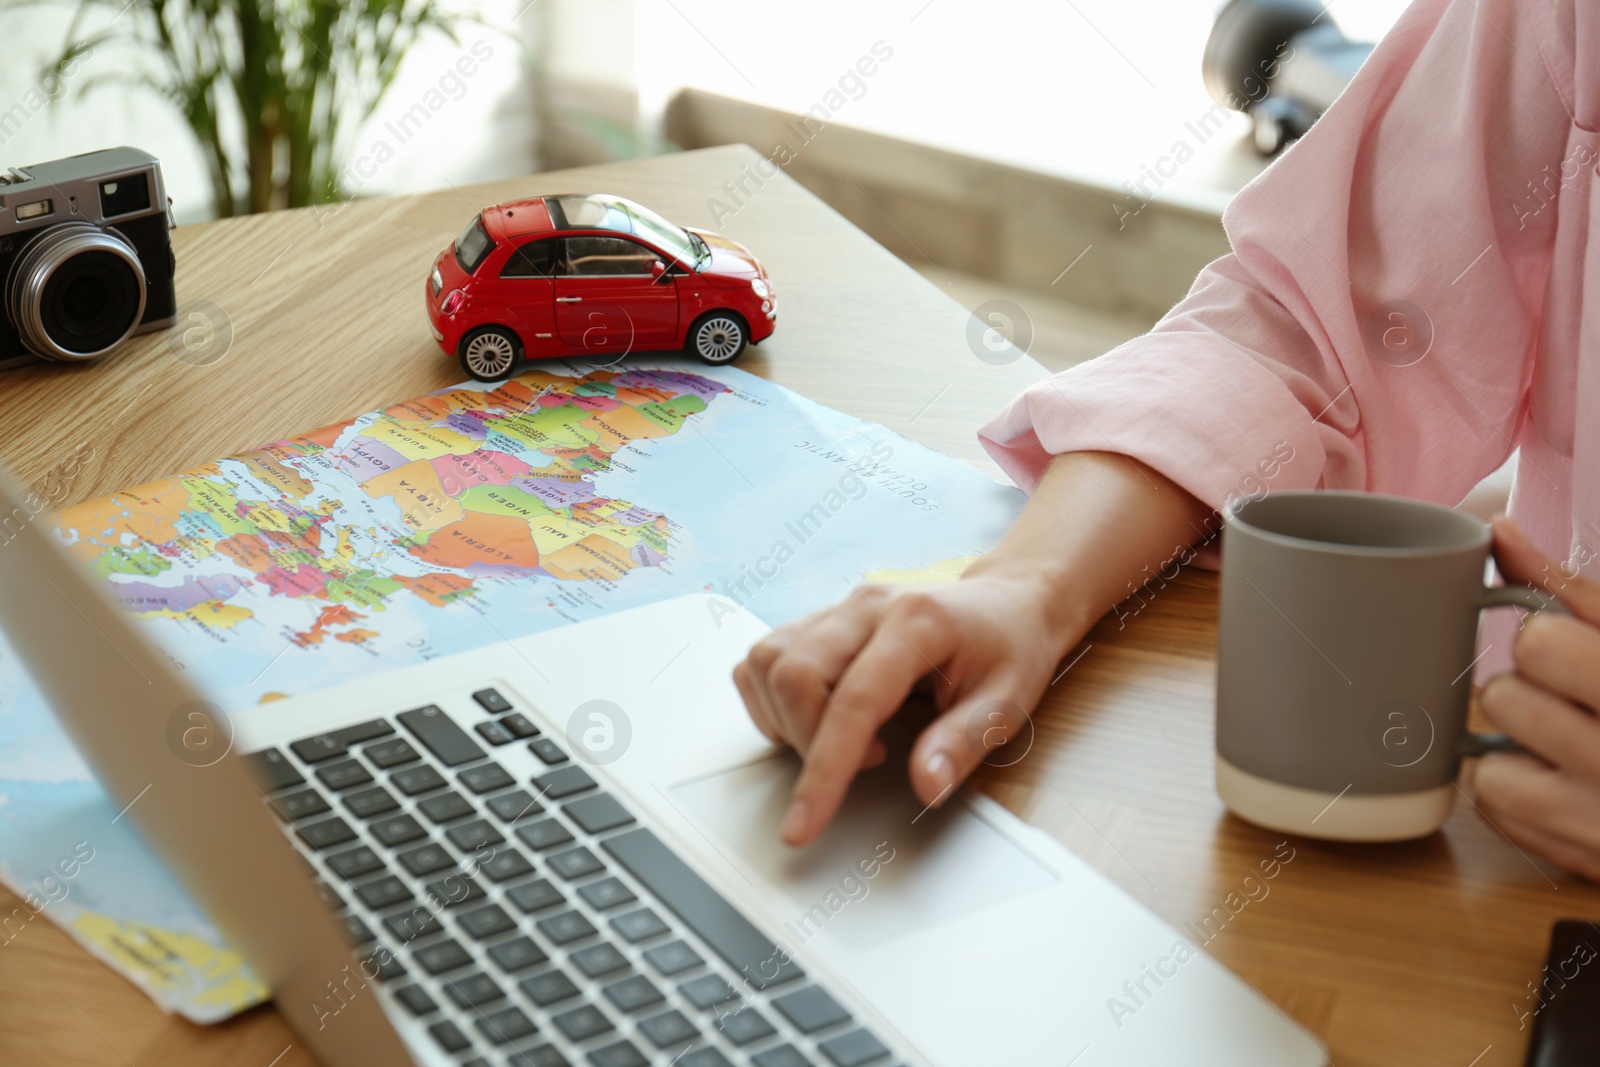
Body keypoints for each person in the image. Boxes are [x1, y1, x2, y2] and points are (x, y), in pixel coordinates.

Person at [732, 0, 1600, 880]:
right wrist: (1027, 584)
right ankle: (1298, 54)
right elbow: (1312, 335)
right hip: (1509, 827)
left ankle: (1298, 53)